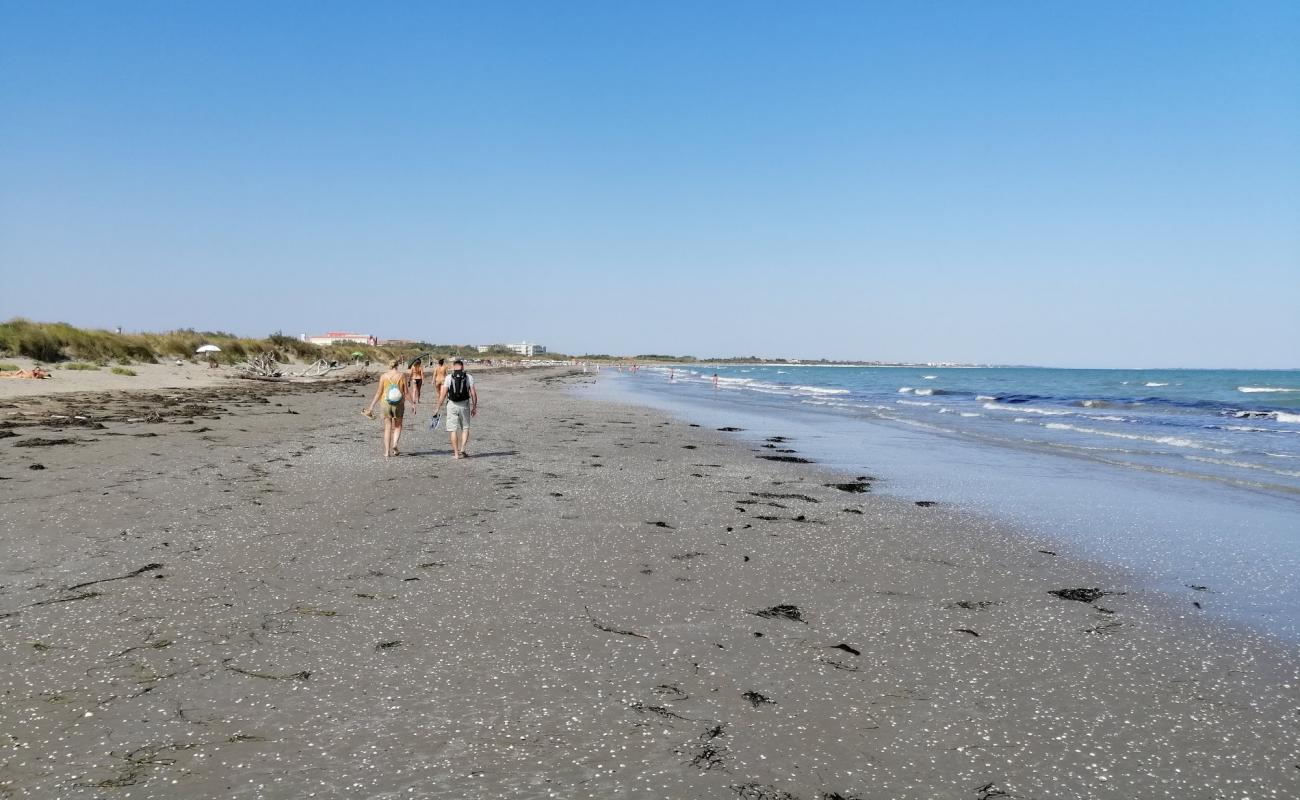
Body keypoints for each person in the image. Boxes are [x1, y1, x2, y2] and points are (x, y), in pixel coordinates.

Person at [363, 358, 413, 458]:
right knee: (398, 426)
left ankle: (386, 452)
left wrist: (371, 406)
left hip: (385, 403)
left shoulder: (384, 376)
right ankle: (394, 444)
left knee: (387, 427)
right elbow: (406, 392)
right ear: (397, 365)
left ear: (389, 366)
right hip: (398, 403)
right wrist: (413, 404)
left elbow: (379, 393)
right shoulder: (402, 375)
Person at [435, 358, 477, 459]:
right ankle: (462, 449)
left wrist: (437, 407)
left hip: (452, 405)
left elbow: (443, 394)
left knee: (453, 430)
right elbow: (473, 393)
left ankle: (456, 454)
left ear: (453, 367)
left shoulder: (449, 377)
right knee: (465, 428)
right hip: (464, 405)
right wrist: (474, 406)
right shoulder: (469, 377)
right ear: (463, 367)